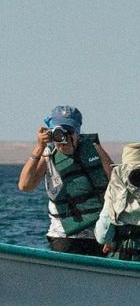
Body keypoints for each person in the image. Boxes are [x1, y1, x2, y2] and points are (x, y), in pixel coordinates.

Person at [17, 105, 114, 255]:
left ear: (78, 133)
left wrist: (112, 233)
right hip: (63, 236)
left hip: (98, 235)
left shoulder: (94, 149)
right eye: (59, 133)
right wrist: (39, 148)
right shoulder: (48, 154)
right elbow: (25, 185)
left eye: (70, 132)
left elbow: (116, 186)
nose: (64, 139)